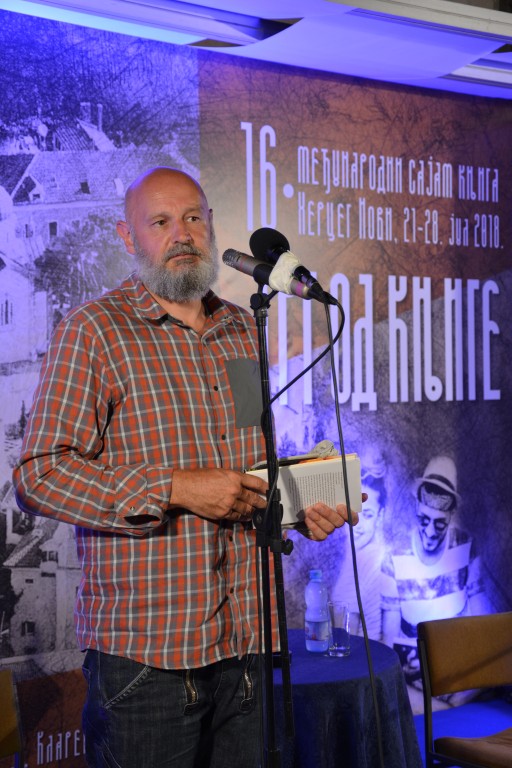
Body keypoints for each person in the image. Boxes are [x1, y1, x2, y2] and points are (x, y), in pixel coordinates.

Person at [13, 167, 357, 768]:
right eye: (161, 221)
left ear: (211, 226)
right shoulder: (93, 331)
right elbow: (38, 477)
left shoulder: (242, 330)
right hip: (147, 661)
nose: (182, 234)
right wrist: (173, 488)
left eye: (193, 217)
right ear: (128, 236)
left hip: (249, 646)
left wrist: (303, 507)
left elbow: (249, 465)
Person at [381, 454, 488, 711]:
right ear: (417, 506)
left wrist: (461, 695)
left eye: (440, 524)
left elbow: (486, 634)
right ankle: (444, 714)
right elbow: (387, 645)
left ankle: (447, 712)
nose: (430, 532)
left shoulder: (467, 547)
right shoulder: (394, 558)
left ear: (451, 514)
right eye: (424, 520)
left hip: (460, 678)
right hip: (412, 687)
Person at [331, 450, 387, 640]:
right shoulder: (347, 554)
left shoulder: (368, 559)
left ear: (380, 516)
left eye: (368, 515)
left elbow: (347, 638)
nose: (358, 524)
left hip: (361, 654)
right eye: (354, 511)